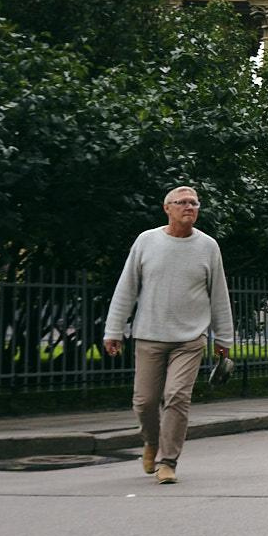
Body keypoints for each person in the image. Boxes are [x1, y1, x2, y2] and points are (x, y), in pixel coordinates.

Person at [101, 185, 236, 486]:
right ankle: (151, 442)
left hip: (189, 339)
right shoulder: (147, 241)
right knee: (145, 401)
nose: (189, 207)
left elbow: (219, 295)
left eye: (194, 203)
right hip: (149, 336)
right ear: (167, 208)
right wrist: (114, 330)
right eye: (182, 202)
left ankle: (168, 461)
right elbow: (127, 288)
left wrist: (224, 340)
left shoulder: (208, 246)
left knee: (176, 397)